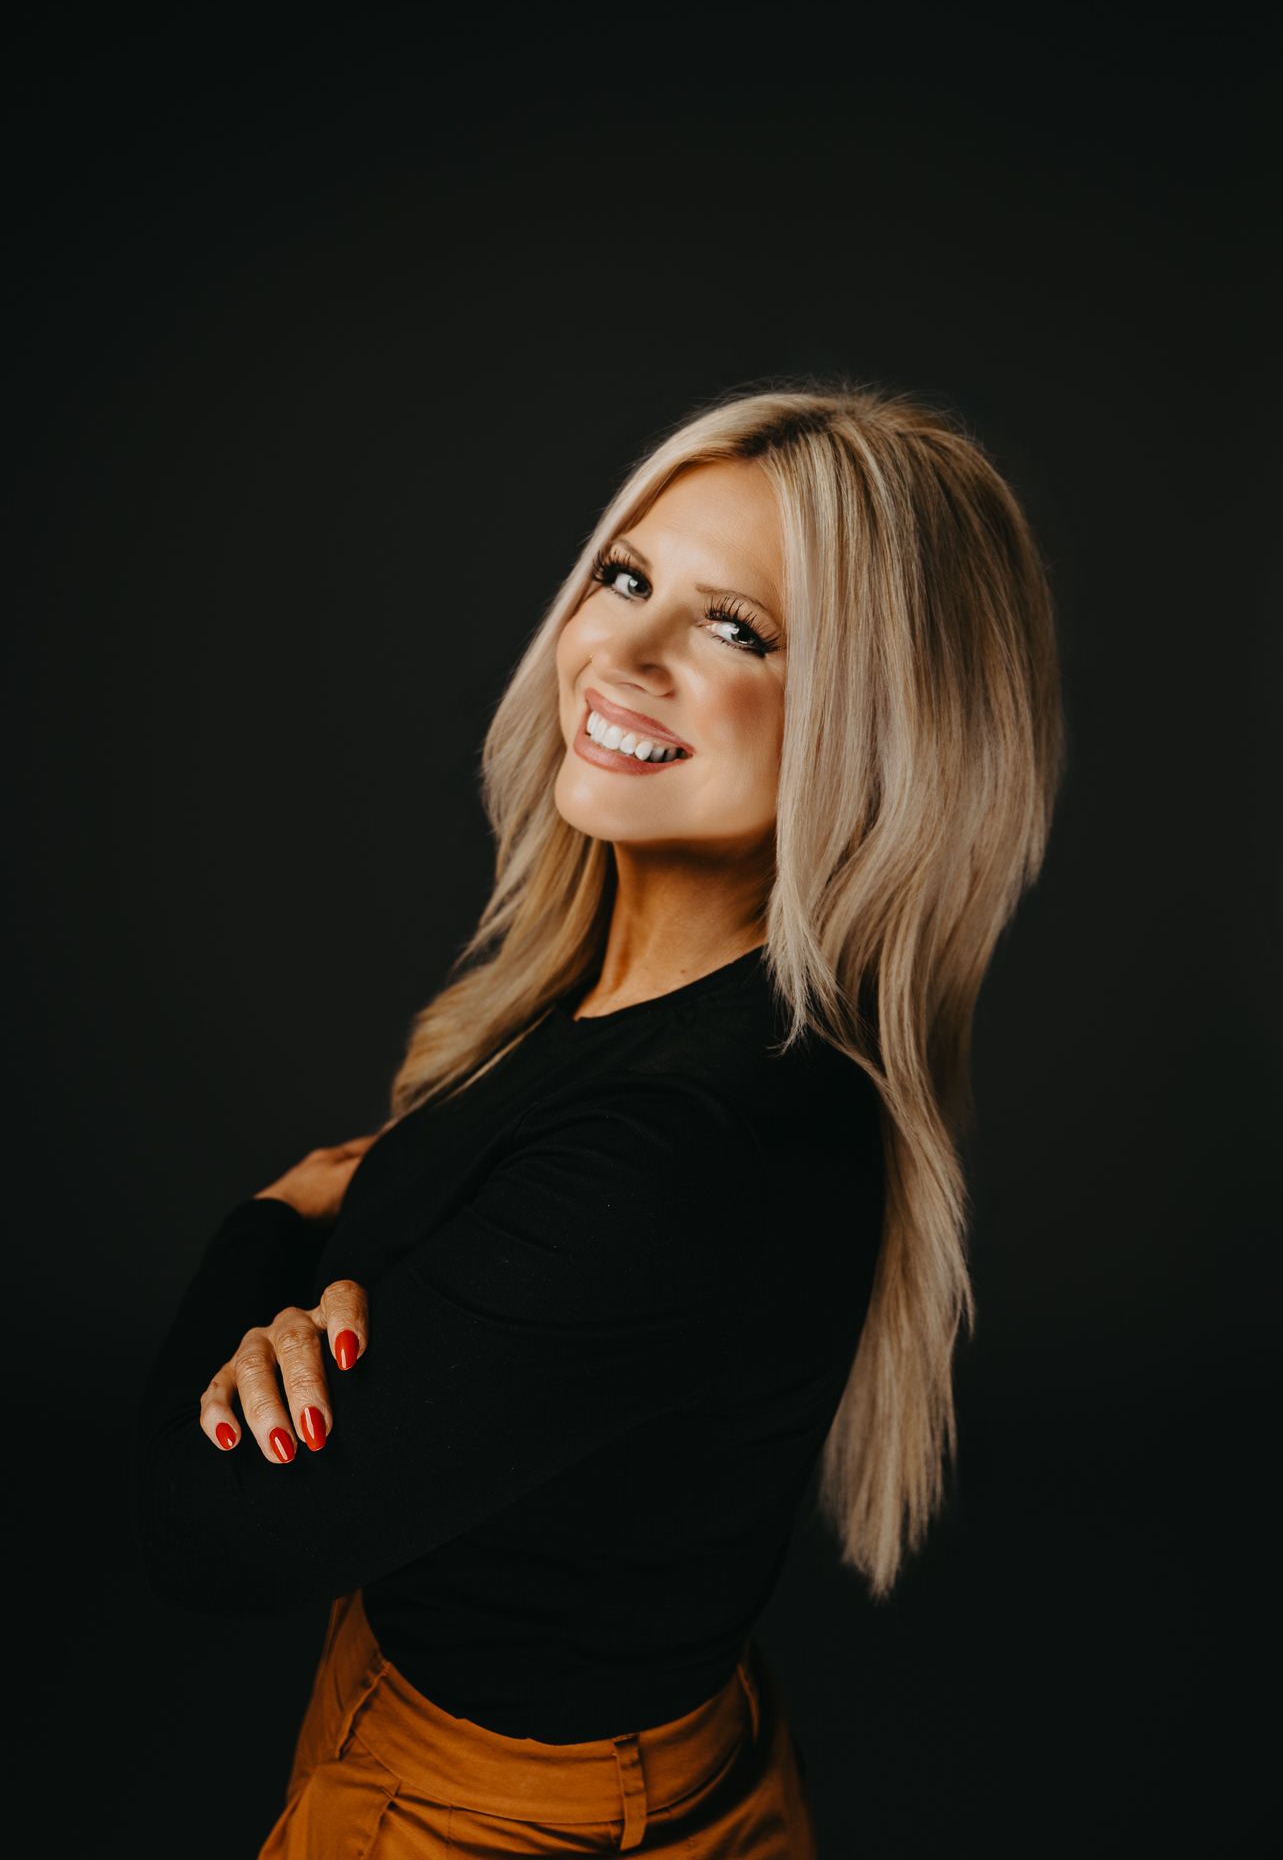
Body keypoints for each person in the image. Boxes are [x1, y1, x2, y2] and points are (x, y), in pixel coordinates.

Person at [132, 382, 1065, 1855]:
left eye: (734, 629)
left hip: (485, 1817)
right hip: (642, 1750)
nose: (617, 654)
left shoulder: (678, 1150)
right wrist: (320, 1321)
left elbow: (206, 1534)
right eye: (626, 579)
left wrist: (273, 1235)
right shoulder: (660, 1023)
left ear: (879, 729)